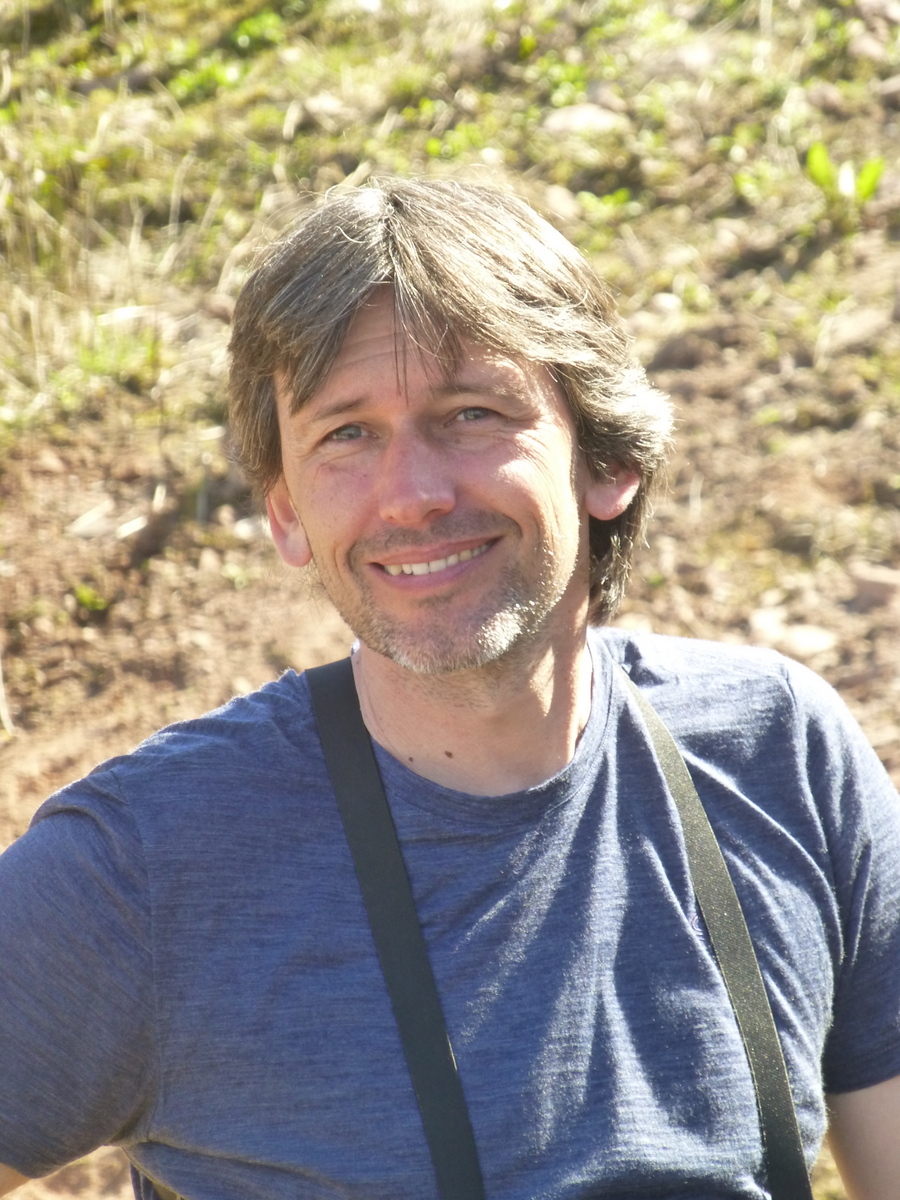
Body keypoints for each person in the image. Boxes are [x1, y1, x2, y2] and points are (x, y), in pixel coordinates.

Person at [1, 177, 899, 1200]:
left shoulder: (783, 756)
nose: (414, 495)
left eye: (471, 414)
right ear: (286, 513)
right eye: (346, 434)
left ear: (607, 459)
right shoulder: (146, 871)